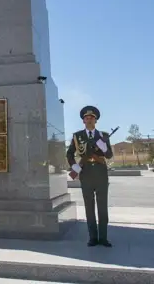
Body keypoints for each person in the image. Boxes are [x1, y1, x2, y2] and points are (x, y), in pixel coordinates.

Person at [66, 105, 114, 247]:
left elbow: (109, 155)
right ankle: (92, 237)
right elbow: (69, 153)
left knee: (102, 207)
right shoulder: (77, 136)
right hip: (85, 173)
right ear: (83, 121)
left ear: (96, 120)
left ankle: (103, 237)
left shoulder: (103, 135)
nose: (89, 120)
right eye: (86, 118)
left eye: (91, 118)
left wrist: (103, 146)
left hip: (101, 173)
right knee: (89, 207)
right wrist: (75, 166)